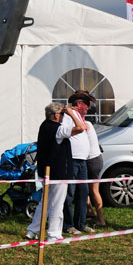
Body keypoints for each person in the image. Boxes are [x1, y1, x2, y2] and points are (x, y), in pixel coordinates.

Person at [26, 102, 85, 241]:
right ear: (57, 115)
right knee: (57, 204)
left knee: (45, 202)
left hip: (47, 170)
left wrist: (67, 112)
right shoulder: (58, 129)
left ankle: (32, 230)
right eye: (63, 114)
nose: (65, 116)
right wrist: (71, 113)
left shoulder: (44, 125)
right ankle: (54, 234)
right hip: (59, 172)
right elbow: (81, 127)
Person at [62, 92, 93, 235]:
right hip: (72, 159)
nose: (88, 108)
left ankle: (80, 223)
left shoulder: (79, 116)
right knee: (70, 192)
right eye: (87, 105)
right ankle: (68, 225)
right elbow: (65, 132)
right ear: (80, 104)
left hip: (82, 160)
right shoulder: (68, 116)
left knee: (83, 192)